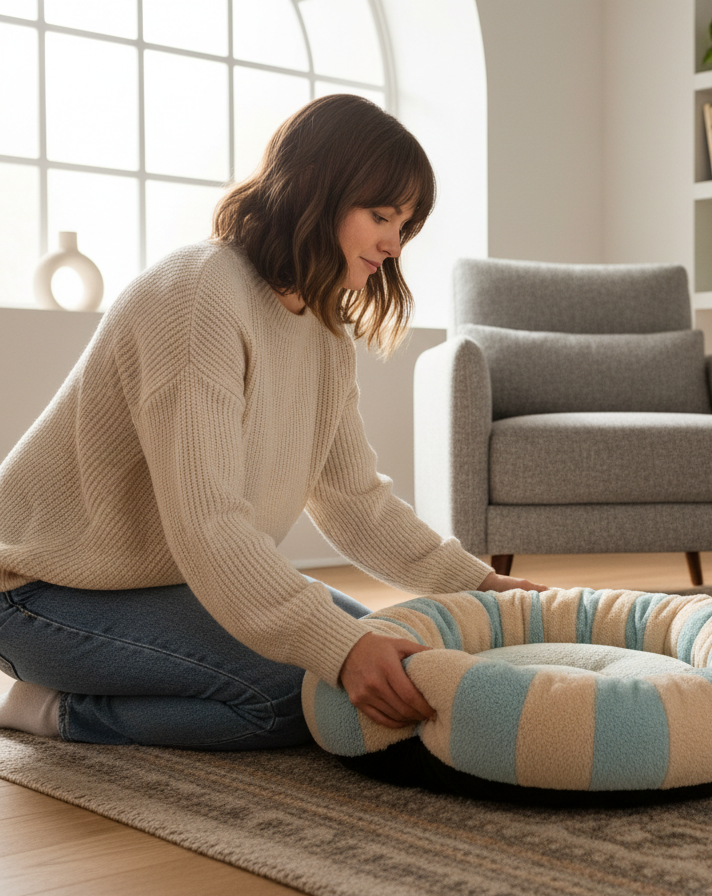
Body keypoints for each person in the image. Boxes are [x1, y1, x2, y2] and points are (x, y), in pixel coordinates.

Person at [0, 94, 541, 749]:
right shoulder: (198, 296)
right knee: (300, 695)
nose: (394, 246)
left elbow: (355, 503)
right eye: (381, 216)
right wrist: (337, 649)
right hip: (37, 591)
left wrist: (482, 586)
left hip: (162, 584)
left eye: (404, 226)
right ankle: (51, 711)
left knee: (388, 658)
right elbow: (210, 525)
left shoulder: (323, 328)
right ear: (320, 189)